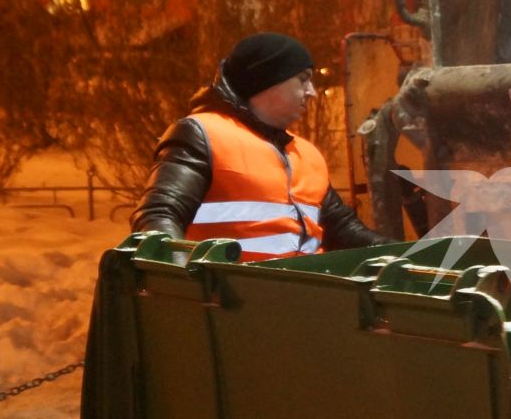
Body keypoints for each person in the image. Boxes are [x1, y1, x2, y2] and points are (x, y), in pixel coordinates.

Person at [132, 31, 384, 258]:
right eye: (303, 79)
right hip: (232, 300)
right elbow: (158, 217)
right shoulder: (203, 134)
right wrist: (183, 279)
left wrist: (400, 256)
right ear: (267, 80)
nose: (312, 92)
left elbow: (343, 229)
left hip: (306, 295)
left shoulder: (306, 155)